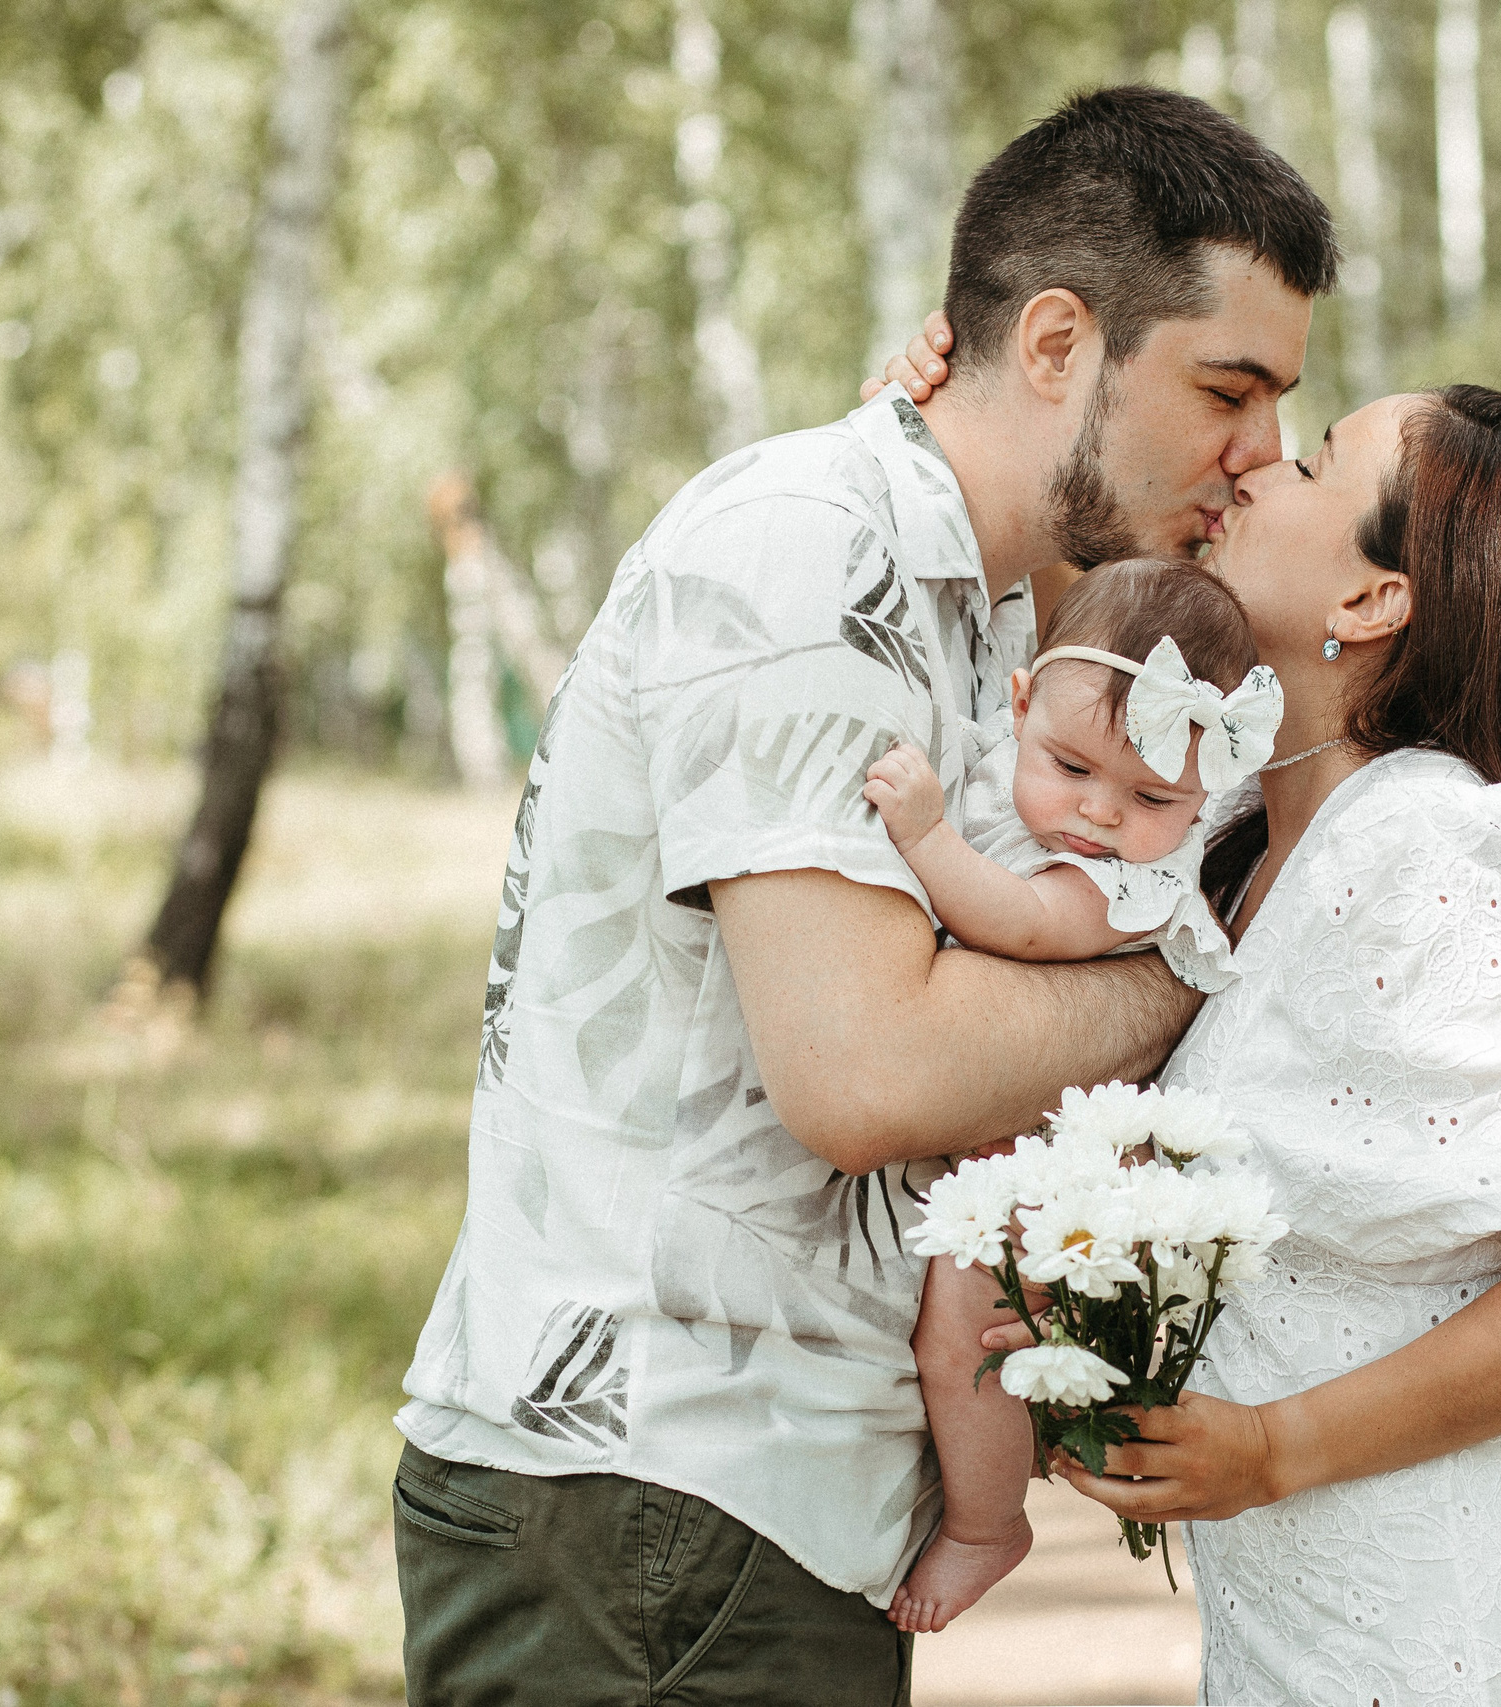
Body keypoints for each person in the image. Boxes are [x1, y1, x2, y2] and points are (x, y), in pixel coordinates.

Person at [389, 89, 1337, 1706]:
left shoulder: (985, 606)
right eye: (1227, 390)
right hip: (657, 1498)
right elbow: (868, 1072)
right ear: (1057, 343)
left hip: (735, 1519)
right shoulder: (809, 553)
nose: (1259, 451)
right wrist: (1196, 959)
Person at [885, 317, 1501, 1702]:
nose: (1259, 462)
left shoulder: (1434, 851)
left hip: (1448, 1637)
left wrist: (1274, 1447)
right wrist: (965, 406)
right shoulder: (1223, 824)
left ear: (1376, 599)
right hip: (1308, 1628)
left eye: (1318, 460)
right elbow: (1058, 677)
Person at [862, 559, 1279, 1633]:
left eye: (1153, 799)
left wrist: (924, 838)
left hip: (1058, 1150)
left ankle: (987, 1522)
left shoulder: (1133, 881)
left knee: (961, 1334)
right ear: (1018, 705)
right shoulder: (1002, 759)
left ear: (1204, 799)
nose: (1098, 812)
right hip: (997, 1111)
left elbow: (1023, 923)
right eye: (1069, 767)